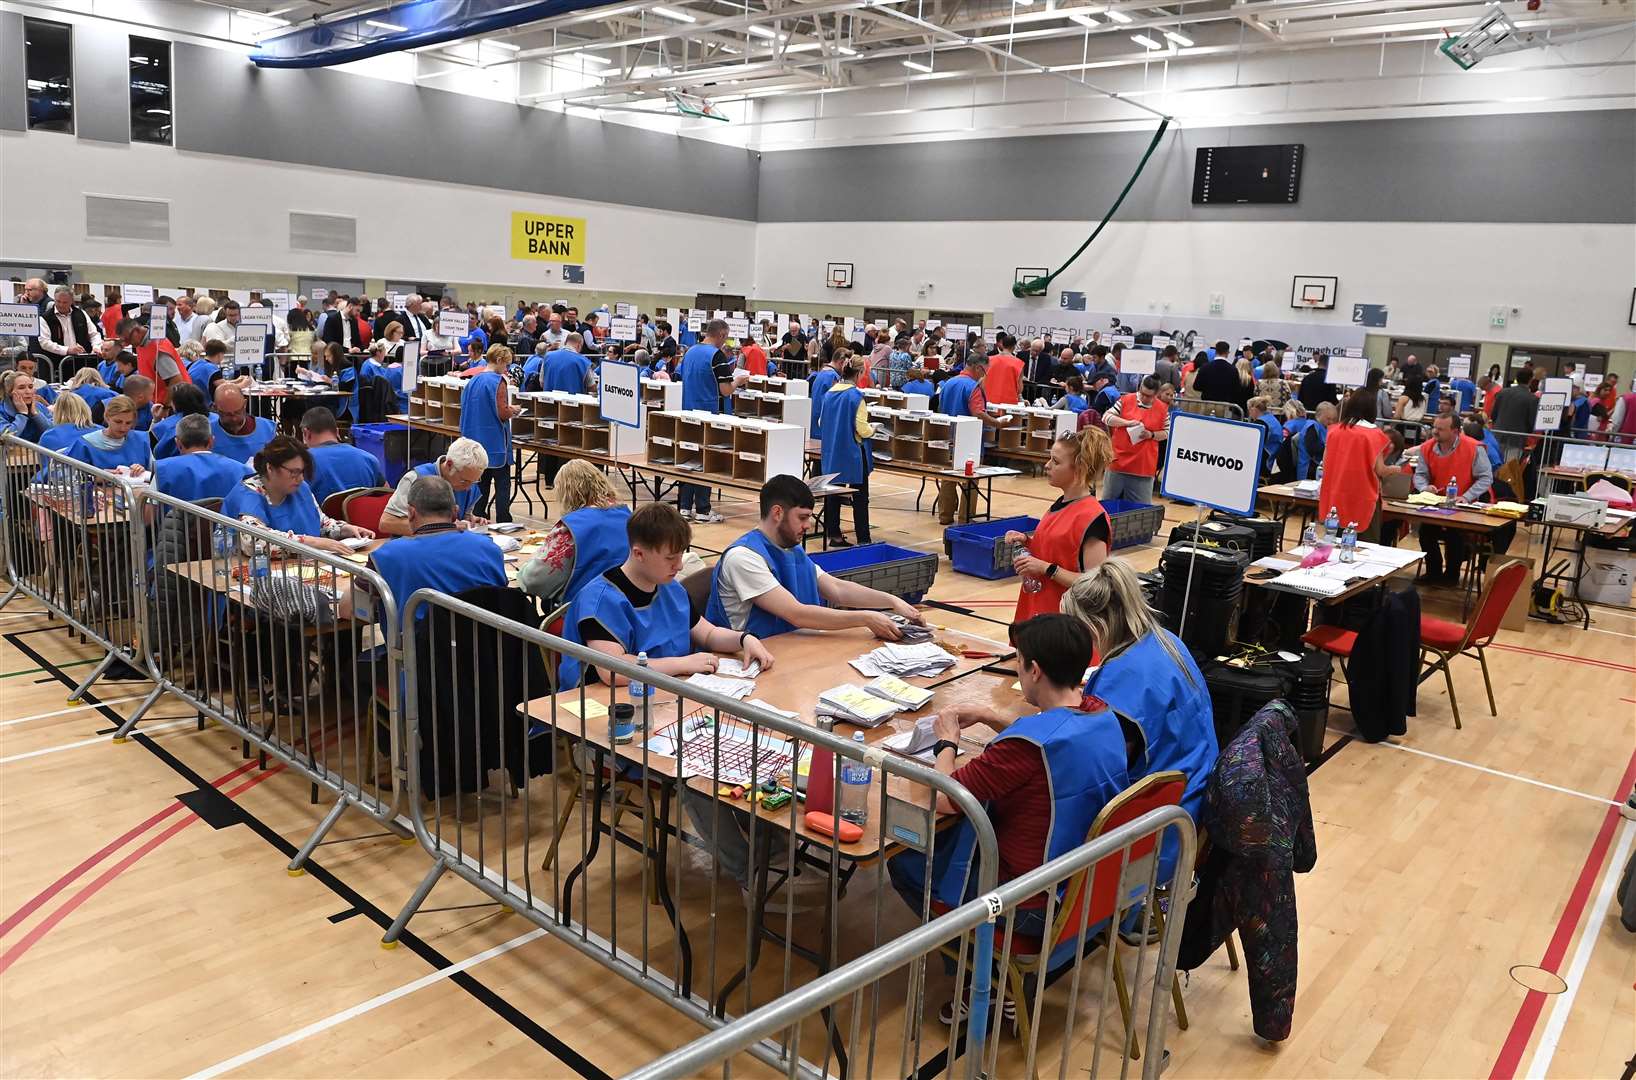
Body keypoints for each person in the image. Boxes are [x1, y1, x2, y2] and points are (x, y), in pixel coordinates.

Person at [886, 614, 1132, 971]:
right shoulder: (1102, 714)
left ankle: (979, 978)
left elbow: (945, 798)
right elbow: (1054, 735)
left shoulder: (1023, 751)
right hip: (1089, 884)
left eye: (1018, 661)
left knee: (906, 864)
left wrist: (946, 744)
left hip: (1029, 900)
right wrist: (989, 716)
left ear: (1034, 670)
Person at [1064, 560, 1216, 879]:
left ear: (1095, 627)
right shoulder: (1167, 641)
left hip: (1152, 838)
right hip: (1191, 808)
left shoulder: (1120, 678)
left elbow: (1092, 770)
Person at [556, 502, 774, 689]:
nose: (679, 565)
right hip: (605, 709)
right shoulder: (599, 601)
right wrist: (682, 664)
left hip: (662, 693)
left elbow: (708, 634)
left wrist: (744, 639)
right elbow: (614, 671)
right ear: (639, 553)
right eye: (670, 558)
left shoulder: (671, 588)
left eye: (681, 555)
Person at [705, 474, 923, 640]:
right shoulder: (743, 557)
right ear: (777, 513)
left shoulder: (790, 548)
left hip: (790, 647)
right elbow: (796, 614)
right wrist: (865, 618)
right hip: (749, 658)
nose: (808, 525)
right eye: (802, 518)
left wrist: (892, 601)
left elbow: (836, 589)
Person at [358, 475, 508, 628]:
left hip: (420, 650)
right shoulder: (491, 549)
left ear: (411, 513)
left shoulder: (386, 555)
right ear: (455, 512)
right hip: (487, 647)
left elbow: (348, 608)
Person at [1006, 429, 1113, 622]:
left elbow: (1097, 585)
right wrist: (1027, 543)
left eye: (1056, 462)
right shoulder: (1061, 504)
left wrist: (1047, 568)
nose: (1047, 466)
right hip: (1038, 613)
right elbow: (1062, 551)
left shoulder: (1092, 517)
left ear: (1079, 468)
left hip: (1064, 627)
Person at [222, 437, 373, 555]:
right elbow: (254, 542)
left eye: (302, 472)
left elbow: (321, 523)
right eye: (293, 472)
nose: (300, 478)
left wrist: (344, 529)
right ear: (270, 468)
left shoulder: (300, 488)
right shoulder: (248, 495)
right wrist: (312, 542)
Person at [517, 460, 631, 607]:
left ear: (567, 494)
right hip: (626, 606)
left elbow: (534, 581)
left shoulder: (573, 526)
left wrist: (525, 568)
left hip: (583, 613)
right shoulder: (629, 516)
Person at [1413, 412, 1494, 584]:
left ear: (1455, 431)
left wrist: (1466, 496)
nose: (1435, 432)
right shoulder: (1427, 447)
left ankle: (1452, 575)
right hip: (1436, 504)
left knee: (1454, 534)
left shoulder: (1474, 448)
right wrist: (1424, 488)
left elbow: (1486, 477)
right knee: (1425, 532)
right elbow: (1420, 474)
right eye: (1435, 427)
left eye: (1440, 429)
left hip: (1464, 505)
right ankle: (1433, 571)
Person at [935, 354, 1015, 526]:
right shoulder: (973, 386)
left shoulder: (948, 383)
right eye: (985, 371)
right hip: (969, 441)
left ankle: (945, 516)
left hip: (948, 437)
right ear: (978, 368)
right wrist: (997, 423)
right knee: (970, 481)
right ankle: (965, 519)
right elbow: (978, 412)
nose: (984, 375)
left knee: (948, 478)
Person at [677, 319, 744, 523]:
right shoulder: (717, 356)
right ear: (722, 335)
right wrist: (738, 381)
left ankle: (685, 508)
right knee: (707, 462)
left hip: (688, 411)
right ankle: (704, 510)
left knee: (689, 459)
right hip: (710, 414)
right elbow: (725, 390)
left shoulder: (689, 352)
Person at [1316, 390, 1395, 540]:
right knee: (1364, 546)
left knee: (1334, 541)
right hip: (1362, 497)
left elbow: (1325, 463)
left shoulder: (1334, 431)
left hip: (1336, 494)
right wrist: (1395, 469)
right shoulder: (1374, 434)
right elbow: (1380, 469)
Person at [816, 351, 875, 546]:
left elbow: (820, 421)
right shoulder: (856, 396)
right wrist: (873, 430)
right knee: (860, 497)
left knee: (833, 495)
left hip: (832, 451)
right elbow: (861, 428)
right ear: (858, 374)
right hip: (853, 453)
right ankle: (864, 539)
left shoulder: (829, 393)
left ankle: (834, 534)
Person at [376, 438, 489, 537]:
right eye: (464, 481)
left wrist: (471, 521)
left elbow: (460, 519)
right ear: (449, 464)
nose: (468, 488)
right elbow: (386, 523)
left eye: (474, 481)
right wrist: (443, 527)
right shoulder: (416, 479)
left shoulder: (469, 482)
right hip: (413, 550)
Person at [460, 344, 520, 524]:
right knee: (502, 484)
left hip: (474, 440)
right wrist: (513, 410)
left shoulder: (473, 380)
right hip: (494, 442)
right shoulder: (497, 381)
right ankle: (504, 521)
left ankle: (479, 518)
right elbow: (502, 412)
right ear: (500, 360)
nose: (507, 369)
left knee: (481, 483)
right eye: (506, 364)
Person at [153, 414, 254, 503]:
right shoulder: (244, 472)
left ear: (178, 444)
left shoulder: (160, 470)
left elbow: (148, 516)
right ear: (211, 441)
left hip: (175, 524)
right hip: (229, 525)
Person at [1102, 375, 1169, 504]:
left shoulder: (1162, 409)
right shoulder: (1125, 400)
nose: (1144, 397)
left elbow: (1167, 432)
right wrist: (1127, 423)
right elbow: (1106, 417)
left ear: (1156, 395)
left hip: (1143, 467)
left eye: (1149, 396)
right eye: (1142, 393)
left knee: (1140, 511)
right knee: (1108, 506)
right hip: (1118, 463)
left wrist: (1151, 435)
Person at [301, 406, 385, 502]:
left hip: (321, 516)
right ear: (337, 431)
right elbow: (386, 497)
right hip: (364, 515)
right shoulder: (369, 459)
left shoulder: (302, 462)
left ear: (306, 433)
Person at [68, 395, 151, 474]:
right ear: (107, 417)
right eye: (118, 422)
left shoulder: (141, 440)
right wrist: (97, 477)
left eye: (128, 423)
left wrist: (143, 472)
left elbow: (154, 475)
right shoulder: (85, 444)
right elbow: (69, 476)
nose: (123, 428)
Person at [208, 385, 277, 464]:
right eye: (227, 414)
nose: (234, 418)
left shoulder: (267, 429)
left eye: (237, 412)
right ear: (215, 408)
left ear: (245, 404)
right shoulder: (207, 433)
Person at [38, 285, 101, 363]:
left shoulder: (81, 314)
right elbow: (44, 342)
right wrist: (67, 350)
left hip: (83, 361)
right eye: (58, 301)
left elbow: (94, 334)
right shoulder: (45, 318)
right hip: (57, 363)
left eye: (65, 302)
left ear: (72, 301)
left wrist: (96, 346)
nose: (61, 305)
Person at [1491, 370, 1539, 459]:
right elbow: (1532, 422)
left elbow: (1493, 414)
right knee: (1509, 470)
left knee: (1495, 465)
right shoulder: (1532, 399)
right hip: (1517, 439)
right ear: (1530, 380)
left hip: (1497, 434)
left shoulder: (1502, 392)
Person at [0, 370, 52, 442]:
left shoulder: (38, 406)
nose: (28, 391)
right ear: (10, 392)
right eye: (21, 388)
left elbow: (53, 432)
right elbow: (6, 437)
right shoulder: (1, 411)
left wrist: (36, 415)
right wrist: (22, 414)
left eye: (30, 387)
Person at [1247, 395, 1285, 477]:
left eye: (1249, 410)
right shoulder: (1271, 418)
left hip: (1267, 461)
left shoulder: (1260, 423)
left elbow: (1252, 445)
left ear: (1254, 409)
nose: (1249, 414)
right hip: (1274, 457)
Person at [983, 335, 1024, 406]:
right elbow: (1020, 388)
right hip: (1009, 404)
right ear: (1014, 346)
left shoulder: (989, 360)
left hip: (989, 402)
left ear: (1002, 344)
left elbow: (982, 381)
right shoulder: (1019, 363)